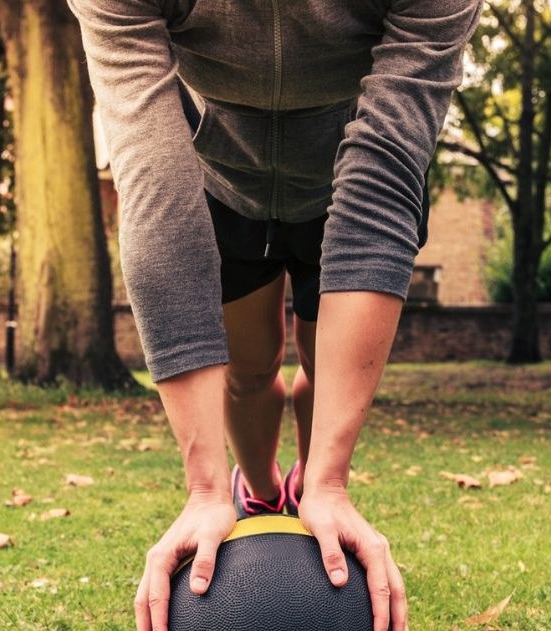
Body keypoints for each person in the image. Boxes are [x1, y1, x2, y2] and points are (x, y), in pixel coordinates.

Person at [67, 1, 483, 630]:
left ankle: (314, 481)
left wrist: (334, 483)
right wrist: (205, 491)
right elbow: (153, 178)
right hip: (222, 184)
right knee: (250, 368)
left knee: (319, 367)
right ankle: (259, 488)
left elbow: (386, 168)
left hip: (344, 181)